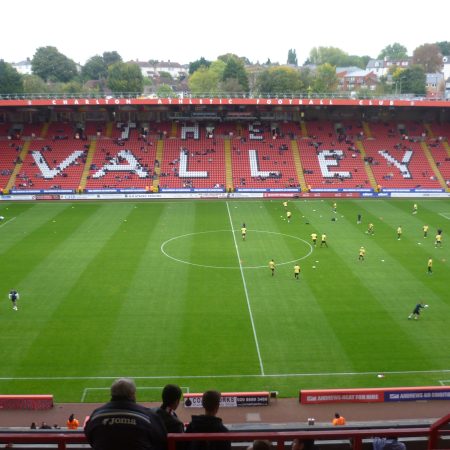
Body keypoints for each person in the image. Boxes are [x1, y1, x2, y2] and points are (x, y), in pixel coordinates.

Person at [84, 377, 167, 450]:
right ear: (133, 394)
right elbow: (161, 439)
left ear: (112, 394)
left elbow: (90, 436)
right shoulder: (149, 416)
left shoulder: (96, 416)